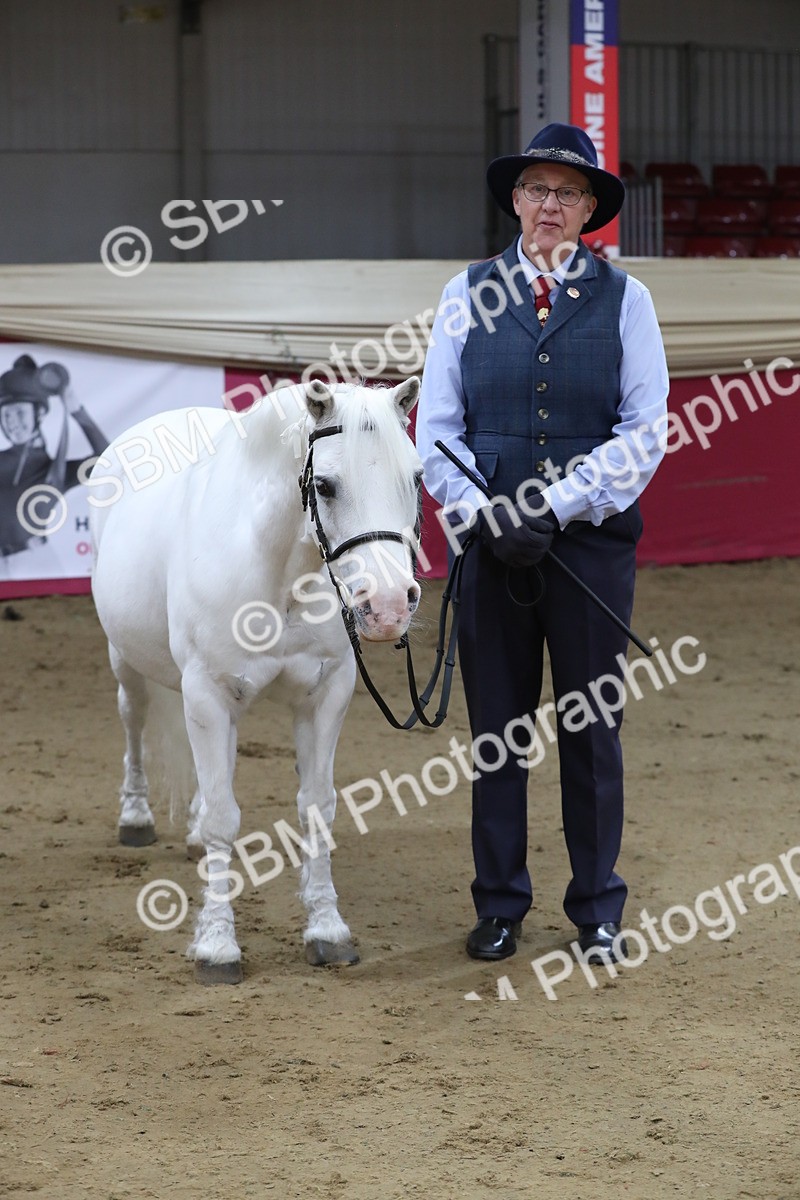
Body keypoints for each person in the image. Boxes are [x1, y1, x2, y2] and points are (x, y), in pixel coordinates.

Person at [416, 123, 669, 963]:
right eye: (536, 189)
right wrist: (485, 513)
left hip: (588, 548)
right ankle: (499, 905)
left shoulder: (628, 300)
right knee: (497, 732)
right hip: (490, 547)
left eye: (567, 192)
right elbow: (436, 430)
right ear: (516, 201)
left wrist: (552, 507)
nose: (549, 204)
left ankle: (597, 907)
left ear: (590, 208)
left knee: (592, 729)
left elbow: (644, 430)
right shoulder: (464, 294)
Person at [0, 354, 108, 558]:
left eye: (20, 413)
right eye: (6, 415)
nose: (12, 422)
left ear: (39, 413)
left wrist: (76, 410)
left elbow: (108, 461)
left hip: (33, 563)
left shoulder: (56, 472)